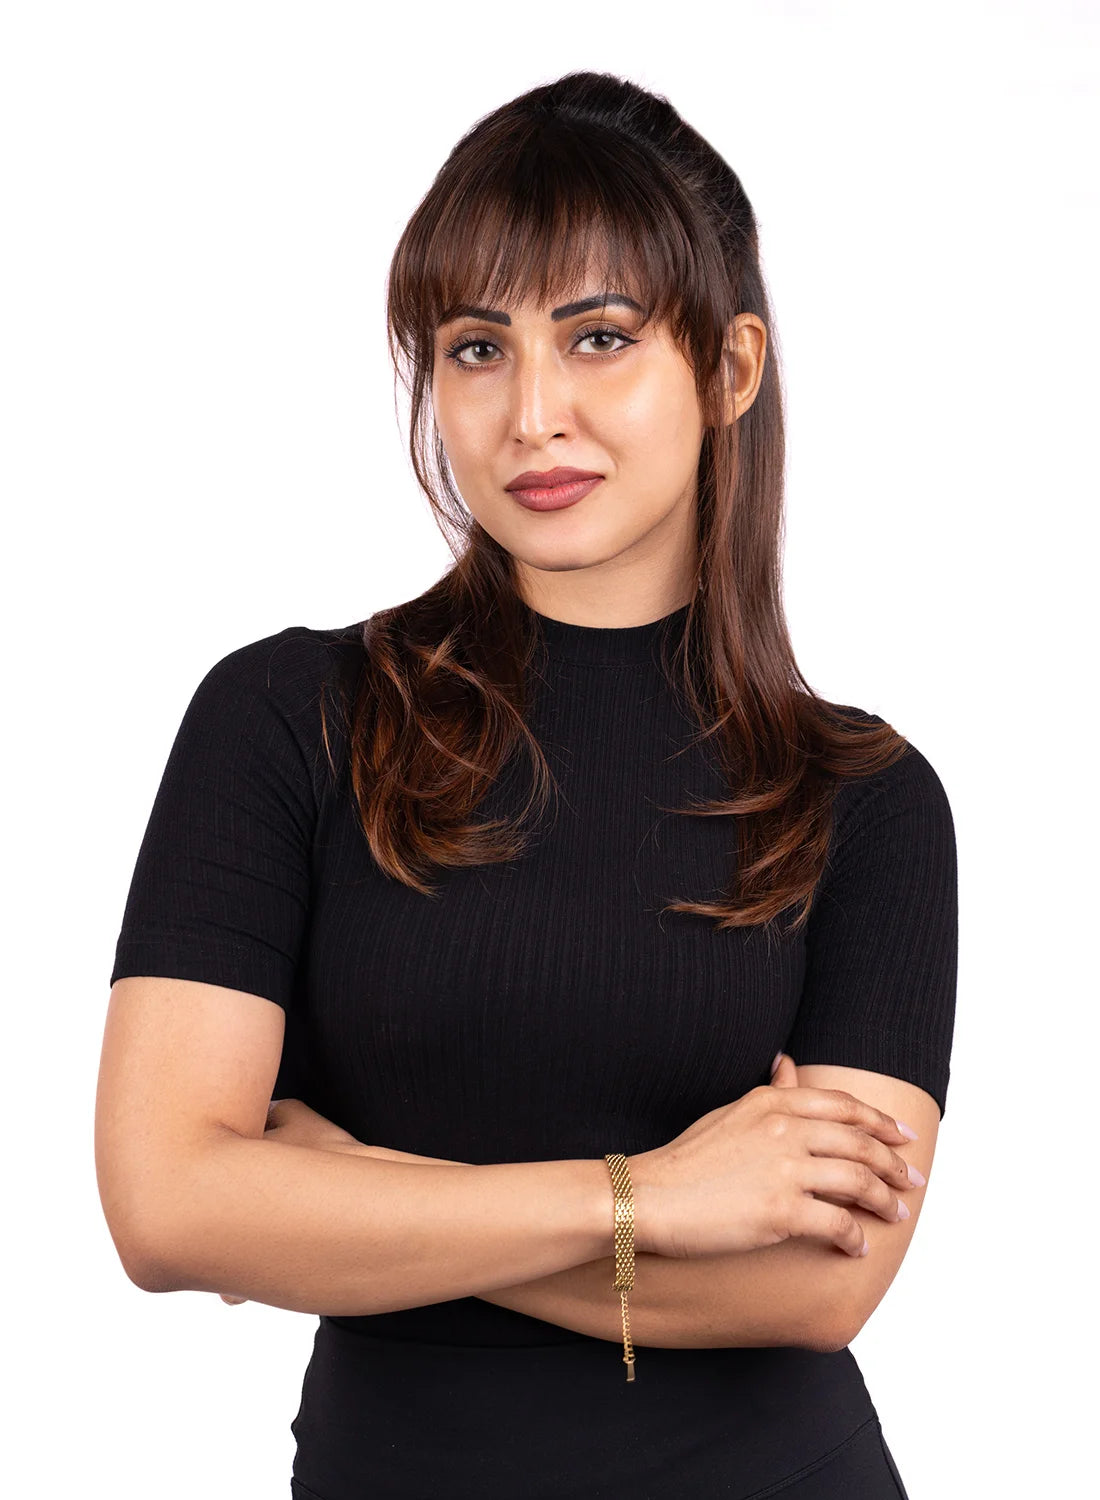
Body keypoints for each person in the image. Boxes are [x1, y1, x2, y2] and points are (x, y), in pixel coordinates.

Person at [95, 70, 956, 1499]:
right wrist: (647, 1201)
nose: (531, 413)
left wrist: (355, 1197)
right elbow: (166, 1207)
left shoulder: (863, 797)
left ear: (730, 368)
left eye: (599, 337)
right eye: (478, 348)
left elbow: (820, 1286)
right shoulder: (288, 720)